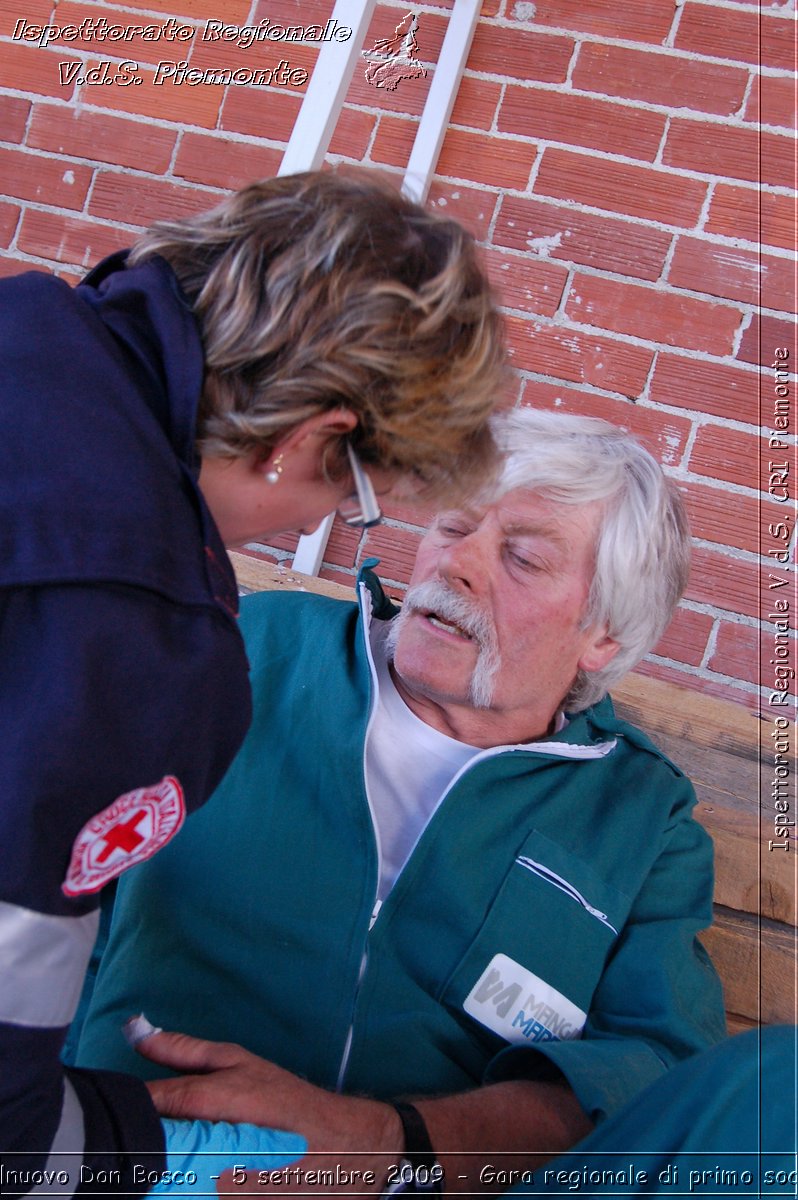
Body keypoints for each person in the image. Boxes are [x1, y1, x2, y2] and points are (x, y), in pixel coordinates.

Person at [70, 409, 730, 1195]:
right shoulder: (248, 654)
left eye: (521, 558)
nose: (457, 564)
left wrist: (389, 1146)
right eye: (453, 525)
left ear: (604, 637)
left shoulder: (642, 818)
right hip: (135, 1148)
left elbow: (658, 1074)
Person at [0, 169, 505, 1195]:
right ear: (310, 439)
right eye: (362, 499)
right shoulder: (146, 647)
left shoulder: (21, 320)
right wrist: (165, 1152)